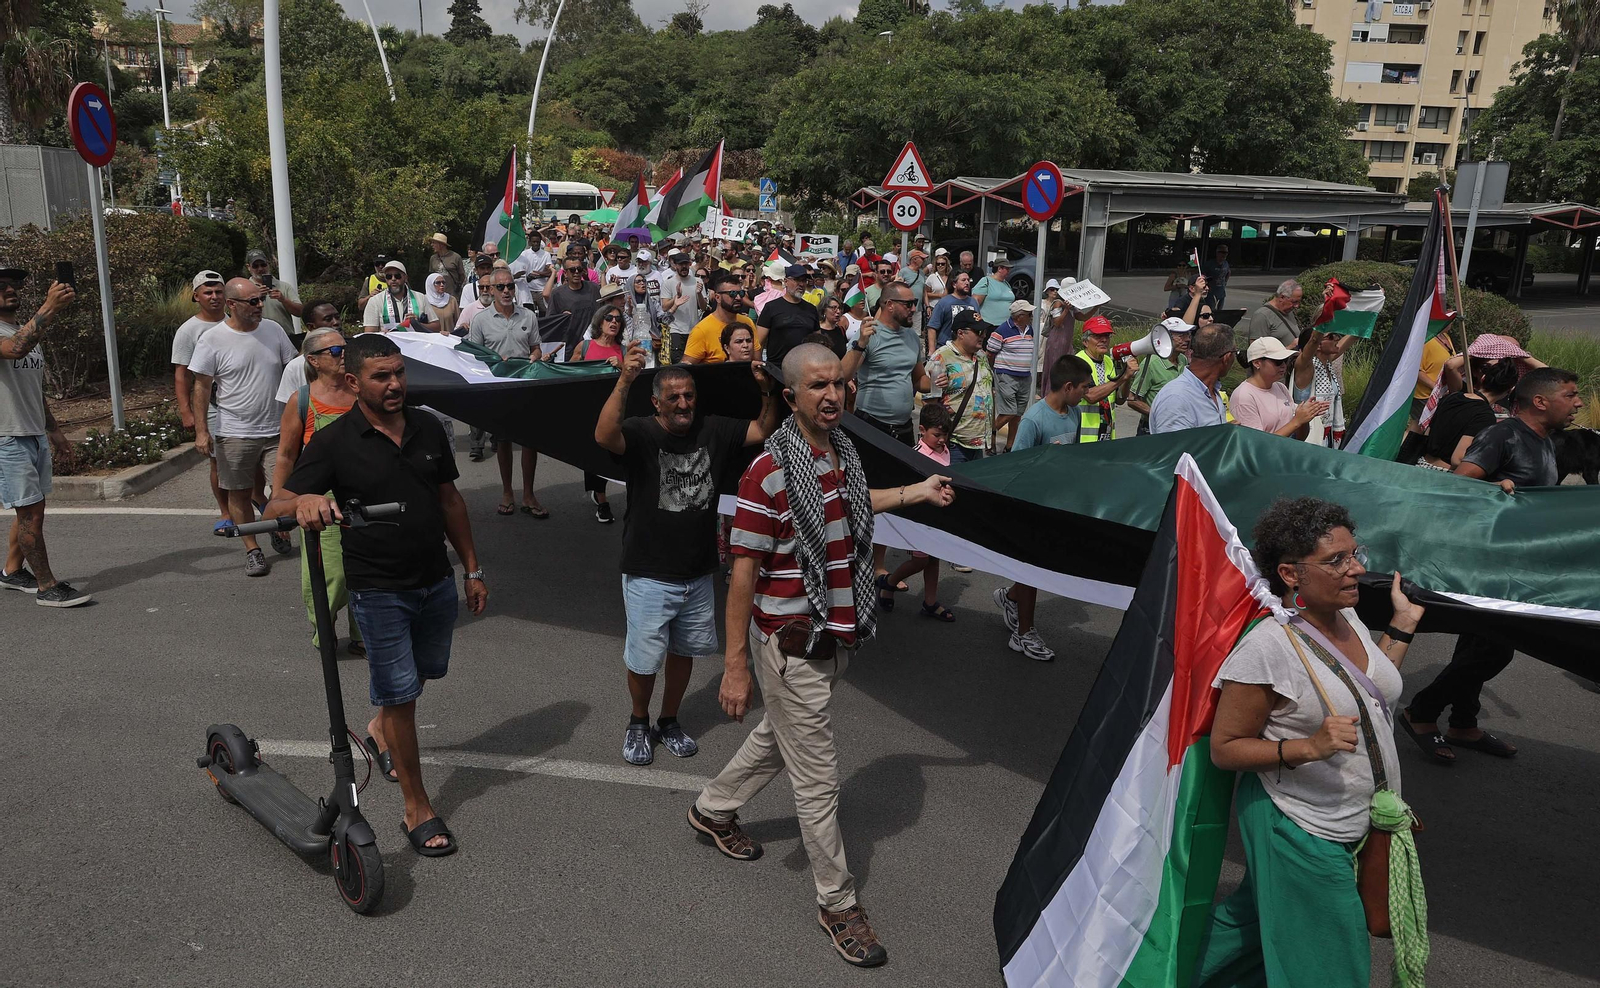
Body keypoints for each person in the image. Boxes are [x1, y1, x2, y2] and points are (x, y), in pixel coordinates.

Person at [690, 343, 955, 969]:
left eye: (838, 383)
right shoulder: (769, 473)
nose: (832, 395)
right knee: (817, 782)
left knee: (778, 738)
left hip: (835, 636)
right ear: (791, 396)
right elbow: (742, 576)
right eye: (817, 386)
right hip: (789, 650)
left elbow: (858, 510)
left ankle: (712, 809)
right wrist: (734, 666)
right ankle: (837, 905)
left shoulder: (842, 454)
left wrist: (919, 489)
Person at [266, 333, 486, 857]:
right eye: (381, 377)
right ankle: (417, 807)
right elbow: (278, 501)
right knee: (402, 695)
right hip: (379, 590)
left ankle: (379, 726)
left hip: (434, 582)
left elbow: (450, 500)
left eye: (399, 374)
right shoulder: (336, 441)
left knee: (425, 675)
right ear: (352, 381)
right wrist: (310, 498)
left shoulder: (429, 425)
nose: (394, 385)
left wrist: (473, 570)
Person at [1198, 496, 1424, 988]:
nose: (1356, 569)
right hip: (1299, 824)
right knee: (1331, 964)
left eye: (1354, 553)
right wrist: (1308, 747)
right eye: (1336, 560)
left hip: (1351, 820)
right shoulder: (1266, 648)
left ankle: (1149, 976)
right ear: (1290, 573)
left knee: (1249, 933)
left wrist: (1403, 625)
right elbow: (1226, 747)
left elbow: (1367, 692)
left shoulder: (1347, 619)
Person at [596, 348, 779, 764]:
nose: (683, 404)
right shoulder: (641, 432)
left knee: (684, 652)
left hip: (697, 571)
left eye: (689, 396)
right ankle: (639, 721)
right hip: (648, 570)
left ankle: (669, 720)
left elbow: (762, 430)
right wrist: (624, 380)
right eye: (674, 397)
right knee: (644, 661)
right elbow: (605, 437)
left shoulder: (714, 429)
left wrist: (767, 393)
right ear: (656, 402)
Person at [1401, 368, 1583, 764]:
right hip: (1486, 564)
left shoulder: (1546, 442)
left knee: (1478, 643)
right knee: (1495, 648)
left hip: (1516, 563)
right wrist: (1491, 489)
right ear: (1540, 401)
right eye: (1570, 395)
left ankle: (1464, 723)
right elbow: (1458, 484)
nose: (1579, 403)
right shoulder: (1504, 435)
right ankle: (1422, 712)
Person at [191, 279, 298, 577]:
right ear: (232, 305)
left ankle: (277, 526)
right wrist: (201, 430)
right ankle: (252, 549)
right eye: (252, 302)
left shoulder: (274, 330)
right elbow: (200, 387)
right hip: (235, 432)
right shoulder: (212, 340)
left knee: (283, 489)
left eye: (260, 300)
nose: (260, 306)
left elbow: (293, 370)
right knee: (238, 493)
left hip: (278, 428)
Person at [993, 356, 1094, 661]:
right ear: (1067, 386)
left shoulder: (1073, 414)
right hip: (1031, 505)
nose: (1087, 392)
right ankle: (1023, 634)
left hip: (1056, 503)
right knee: (1032, 568)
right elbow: (1016, 465)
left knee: (1039, 564)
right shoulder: (1034, 420)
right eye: (1083, 387)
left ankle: (1010, 597)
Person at [270, 326, 362, 656]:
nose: (344, 355)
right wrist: (278, 502)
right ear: (314, 361)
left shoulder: (362, 391)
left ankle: (362, 636)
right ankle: (323, 629)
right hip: (322, 506)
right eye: (335, 351)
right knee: (331, 576)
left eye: (346, 348)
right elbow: (286, 455)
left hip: (366, 500)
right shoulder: (303, 399)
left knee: (366, 572)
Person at [0, 268, 88, 606]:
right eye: (2, 286)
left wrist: (54, 431)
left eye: (15, 284)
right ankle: (46, 586)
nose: (11, 290)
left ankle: (10, 571)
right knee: (31, 512)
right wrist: (48, 307)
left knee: (30, 508)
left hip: (32, 432)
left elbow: (34, 390)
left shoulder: (19, 329)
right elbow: (16, 349)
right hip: (7, 437)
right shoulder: (16, 335)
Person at [468, 268, 547, 519]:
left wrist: (535, 356)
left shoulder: (529, 316)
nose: (505, 291)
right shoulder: (480, 321)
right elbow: (474, 356)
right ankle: (506, 493)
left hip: (525, 385)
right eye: (500, 287)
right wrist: (494, 361)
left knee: (529, 441)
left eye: (510, 286)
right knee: (503, 441)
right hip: (498, 389)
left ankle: (529, 495)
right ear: (490, 290)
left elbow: (536, 347)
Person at [172, 269, 238, 531]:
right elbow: (182, 375)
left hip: (239, 404)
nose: (214, 297)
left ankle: (251, 501)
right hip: (210, 406)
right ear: (196, 296)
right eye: (208, 292)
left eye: (219, 291)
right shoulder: (188, 331)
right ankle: (226, 511)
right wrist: (187, 412)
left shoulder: (237, 322)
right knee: (218, 461)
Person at [885, 402, 956, 623]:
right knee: (920, 561)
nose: (942, 440)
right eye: (937, 435)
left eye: (945, 434)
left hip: (937, 516)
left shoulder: (945, 450)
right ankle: (888, 583)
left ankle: (930, 602)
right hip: (918, 518)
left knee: (933, 560)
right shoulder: (915, 455)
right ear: (922, 430)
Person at [842, 279, 935, 445]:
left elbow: (919, 379)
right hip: (872, 426)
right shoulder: (869, 333)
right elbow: (843, 375)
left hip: (904, 428)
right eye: (909, 304)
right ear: (890, 304)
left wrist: (938, 381)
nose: (914, 309)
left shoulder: (912, 336)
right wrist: (860, 344)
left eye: (915, 303)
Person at [1416, 341, 1523, 471]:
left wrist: (1479, 349)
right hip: (1443, 473)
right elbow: (1458, 459)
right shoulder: (1485, 415)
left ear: (1483, 378)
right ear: (1508, 391)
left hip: (1420, 464)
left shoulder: (1452, 397)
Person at [930, 310, 995, 464]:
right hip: (953, 444)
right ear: (961, 333)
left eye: (984, 332)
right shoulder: (941, 357)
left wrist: (992, 432)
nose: (983, 335)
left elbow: (989, 393)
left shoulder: (982, 357)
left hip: (978, 444)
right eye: (978, 332)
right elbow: (930, 403)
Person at [1231, 337, 1328, 438]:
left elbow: (1300, 438)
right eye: (1277, 361)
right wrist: (1297, 421)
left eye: (1285, 360)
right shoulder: (1244, 396)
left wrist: (1305, 418)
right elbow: (1257, 444)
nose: (1283, 365)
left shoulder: (1280, 387)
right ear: (1257, 363)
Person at [1149, 321, 1235, 434]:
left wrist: (1224, 432)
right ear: (1227, 358)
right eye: (1235, 352)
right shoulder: (1177, 399)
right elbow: (1173, 449)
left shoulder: (1211, 391)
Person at [1289, 326, 1359, 448]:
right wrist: (1324, 320)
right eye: (1331, 337)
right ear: (1318, 344)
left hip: (1327, 434)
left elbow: (1355, 334)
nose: (1337, 338)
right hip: (1308, 437)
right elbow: (1313, 342)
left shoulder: (1326, 362)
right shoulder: (1305, 367)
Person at [985, 299, 1038, 452]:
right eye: (1029, 313)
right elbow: (990, 354)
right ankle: (989, 434)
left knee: (1017, 415)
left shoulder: (1029, 329)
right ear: (1019, 316)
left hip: (1024, 377)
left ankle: (1009, 447)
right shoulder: (1001, 331)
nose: (1031, 316)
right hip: (1006, 376)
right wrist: (994, 375)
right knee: (1010, 411)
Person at [1127, 316, 1194, 436]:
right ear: (1165, 338)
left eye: (1188, 335)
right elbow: (1133, 400)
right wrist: (1160, 414)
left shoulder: (1183, 360)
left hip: (1177, 429)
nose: (1187, 339)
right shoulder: (1152, 363)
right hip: (1151, 429)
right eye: (1181, 335)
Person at [1075, 316, 1135, 443]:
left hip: (1106, 435)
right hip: (1084, 438)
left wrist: (1127, 376)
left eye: (1107, 336)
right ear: (1085, 342)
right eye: (1098, 336)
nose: (1104, 340)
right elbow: (1090, 395)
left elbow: (1119, 399)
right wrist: (1122, 378)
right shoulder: (1078, 361)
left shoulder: (1108, 361)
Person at [756, 263, 825, 369]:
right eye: (797, 280)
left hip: (804, 370)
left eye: (803, 280)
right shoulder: (771, 307)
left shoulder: (811, 309)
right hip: (777, 370)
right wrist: (760, 370)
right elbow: (758, 343)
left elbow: (817, 342)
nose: (801, 284)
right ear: (786, 281)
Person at [684, 270, 757, 364]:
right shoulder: (701, 330)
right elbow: (687, 367)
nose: (738, 298)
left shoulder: (748, 323)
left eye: (741, 293)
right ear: (717, 297)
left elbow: (756, 360)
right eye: (732, 294)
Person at [548, 252, 603, 362]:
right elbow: (551, 321)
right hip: (569, 346)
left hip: (593, 343)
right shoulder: (557, 294)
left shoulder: (594, 288)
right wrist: (561, 317)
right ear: (565, 273)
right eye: (572, 270)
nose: (577, 272)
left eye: (579, 269)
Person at [362, 261, 437, 333]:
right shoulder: (375, 301)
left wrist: (417, 324)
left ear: (405, 278)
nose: (393, 279)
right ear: (386, 279)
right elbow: (369, 333)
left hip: (415, 344)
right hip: (388, 344)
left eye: (397, 276)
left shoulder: (421, 298)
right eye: (389, 276)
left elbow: (437, 327)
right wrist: (381, 335)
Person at [246, 249, 303, 336]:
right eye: (255, 266)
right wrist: (256, 297)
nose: (260, 269)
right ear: (248, 267)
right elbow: (239, 314)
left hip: (286, 337)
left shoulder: (284, 286)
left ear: (268, 264)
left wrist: (283, 300)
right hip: (258, 339)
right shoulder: (244, 288)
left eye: (263, 264)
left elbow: (300, 312)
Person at [658, 250, 702, 361]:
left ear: (689, 264)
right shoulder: (668, 283)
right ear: (675, 265)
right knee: (677, 362)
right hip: (675, 330)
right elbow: (664, 307)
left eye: (686, 264)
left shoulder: (698, 281)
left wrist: (699, 294)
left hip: (694, 330)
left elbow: (704, 307)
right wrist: (675, 298)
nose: (684, 267)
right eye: (681, 264)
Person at [1238, 280, 1304, 350]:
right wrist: (1289, 348)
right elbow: (1256, 351)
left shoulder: (1289, 312)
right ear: (1282, 297)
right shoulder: (1262, 316)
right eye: (1294, 302)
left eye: (1299, 302)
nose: (1297, 306)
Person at [928, 270, 979, 349]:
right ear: (954, 284)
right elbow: (932, 327)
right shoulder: (944, 302)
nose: (967, 283)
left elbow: (977, 325)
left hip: (968, 349)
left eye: (968, 280)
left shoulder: (973, 302)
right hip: (947, 348)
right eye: (963, 280)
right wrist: (931, 350)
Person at [511, 230, 555, 312]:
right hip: (528, 290)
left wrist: (537, 274)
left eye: (537, 242)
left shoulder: (546, 254)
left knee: (545, 312)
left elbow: (550, 272)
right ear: (530, 242)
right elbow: (522, 272)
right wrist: (530, 276)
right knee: (529, 314)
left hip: (542, 290)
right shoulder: (524, 254)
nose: (536, 244)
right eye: (534, 242)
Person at [972, 255, 1016, 328]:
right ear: (999, 268)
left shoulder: (1006, 284)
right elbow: (975, 302)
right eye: (1007, 268)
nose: (1009, 271)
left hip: (1007, 325)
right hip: (990, 325)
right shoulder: (986, 281)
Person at [426, 233, 467, 298]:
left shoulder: (455, 257)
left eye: (434, 243)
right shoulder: (433, 258)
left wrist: (458, 288)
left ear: (441, 244)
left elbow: (462, 275)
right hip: (437, 295)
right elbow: (431, 276)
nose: (432, 245)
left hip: (452, 295)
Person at [1200, 243, 1230, 310]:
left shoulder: (1226, 263)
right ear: (1217, 253)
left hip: (1221, 292)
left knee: (1219, 310)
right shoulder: (1209, 264)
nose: (1224, 254)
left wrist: (1225, 282)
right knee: (1211, 309)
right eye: (1222, 252)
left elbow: (1228, 272)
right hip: (1211, 292)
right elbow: (1202, 275)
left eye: (1226, 252)